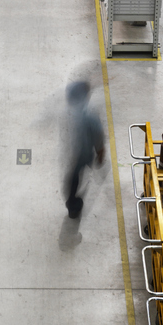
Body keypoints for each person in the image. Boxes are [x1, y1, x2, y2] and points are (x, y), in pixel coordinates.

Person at [62, 80, 106, 220]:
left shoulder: (68, 110)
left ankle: (72, 202)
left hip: (69, 151)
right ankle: (73, 206)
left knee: (72, 176)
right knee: (75, 177)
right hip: (82, 153)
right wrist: (100, 153)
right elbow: (98, 135)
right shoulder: (90, 114)